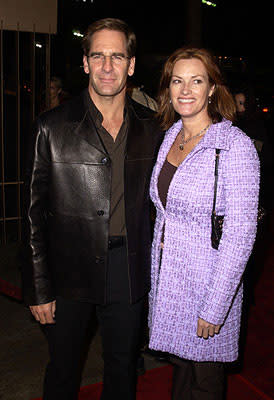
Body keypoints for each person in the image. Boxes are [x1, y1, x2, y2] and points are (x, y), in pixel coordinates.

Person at [22, 18, 161, 400]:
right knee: (63, 370)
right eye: (97, 55)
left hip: (127, 267)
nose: (106, 66)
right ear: (84, 63)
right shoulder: (51, 127)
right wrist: (38, 287)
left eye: (117, 56)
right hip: (68, 270)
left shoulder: (152, 127)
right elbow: (32, 216)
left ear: (131, 65)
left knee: (122, 370)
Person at [148, 47, 260, 399]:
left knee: (204, 385)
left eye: (196, 81)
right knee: (180, 376)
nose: (185, 90)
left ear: (212, 88)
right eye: (177, 81)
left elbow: (241, 236)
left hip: (206, 286)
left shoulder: (234, 146)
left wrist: (215, 306)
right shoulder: (171, 136)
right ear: (167, 88)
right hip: (170, 284)